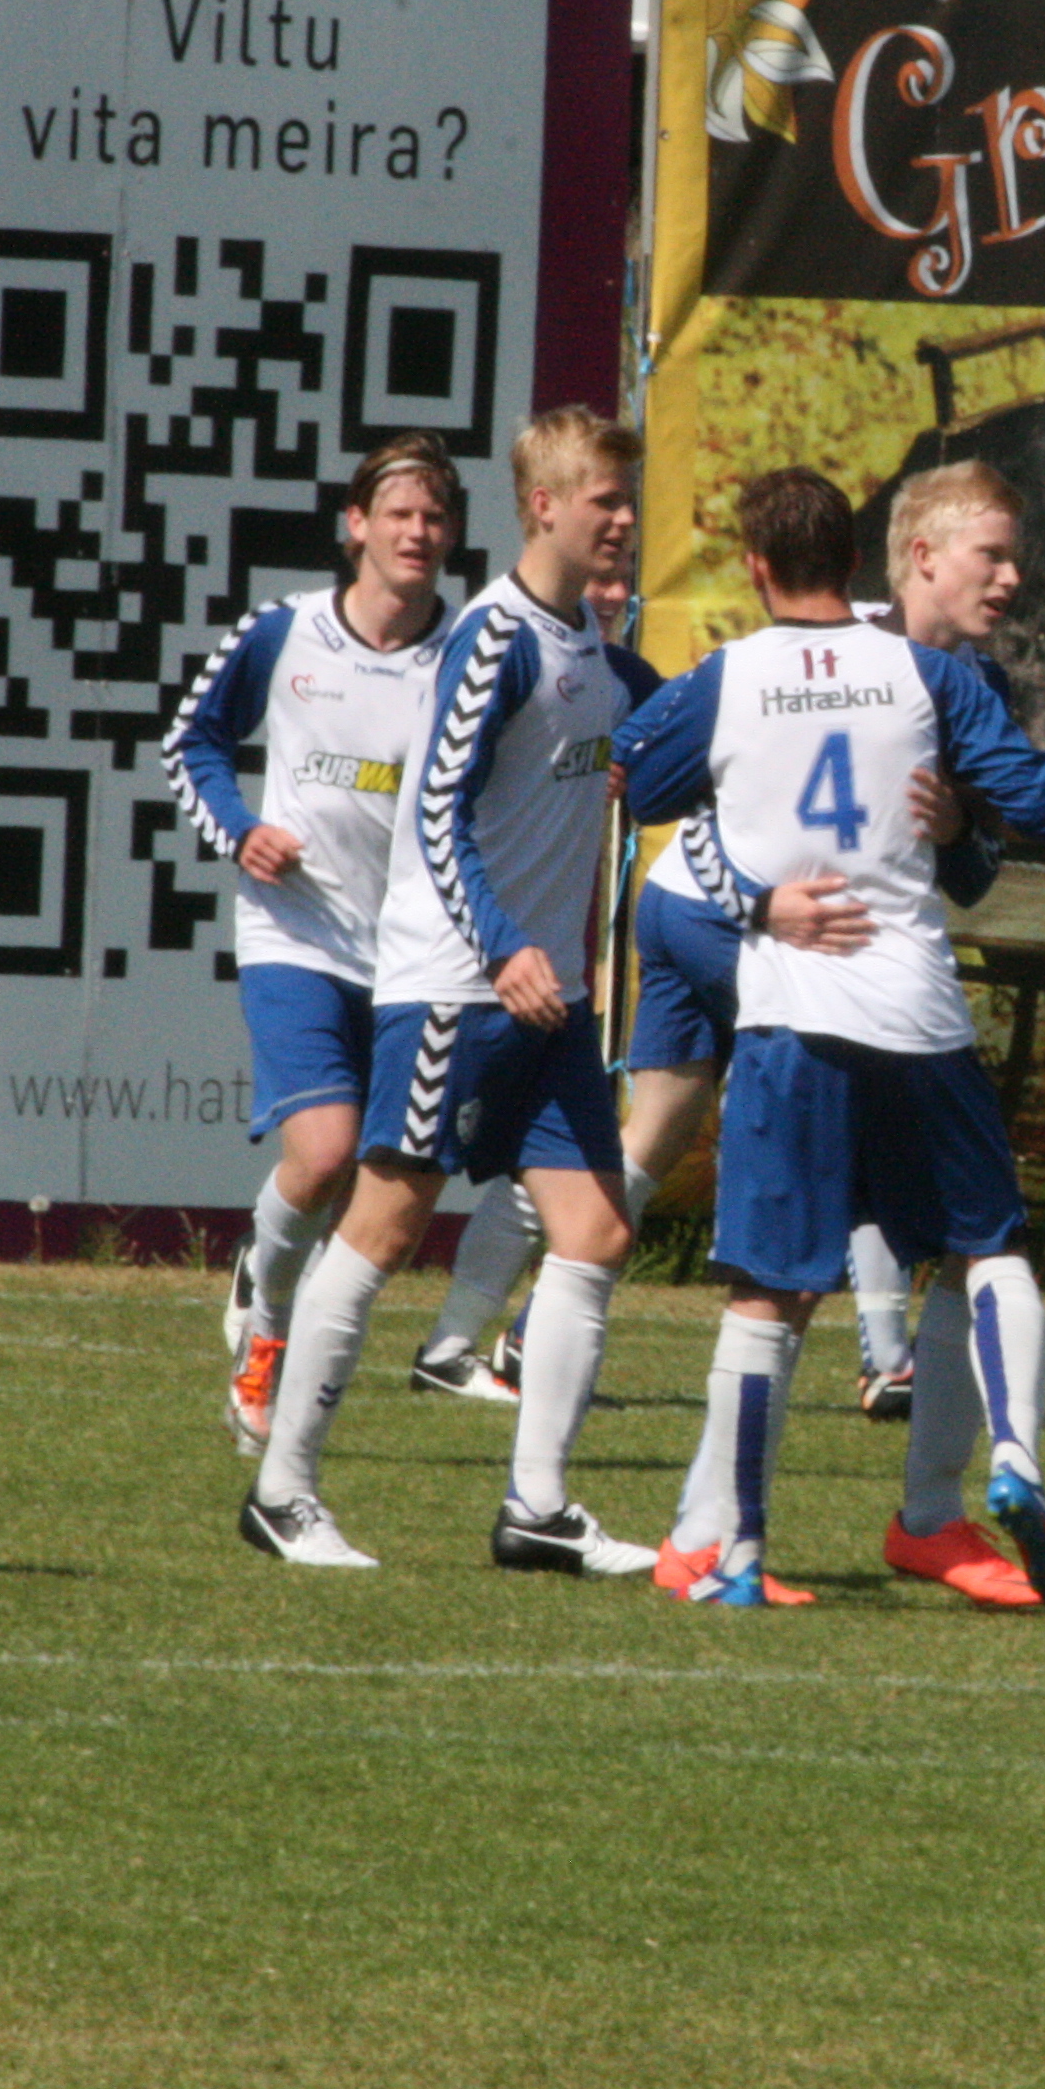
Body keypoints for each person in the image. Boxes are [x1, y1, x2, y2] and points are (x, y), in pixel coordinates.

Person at [612, 466, 1045, 1608]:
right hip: (914, 1012)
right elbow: (1043, 804)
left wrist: (762, 885)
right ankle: (1003, 1465)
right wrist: (969, 807)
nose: (1006, 578)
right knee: (985, 1244)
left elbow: (636, 780)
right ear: (878, 559)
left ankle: (737, 1549)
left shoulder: (731, 674)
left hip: (794, 1021)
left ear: (756, 566)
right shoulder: (928, 678)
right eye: (992, 556)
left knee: (771, 1289)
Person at [234, 407, 660, 1574]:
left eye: (629, 500)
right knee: (384, 1225)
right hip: (456, 992)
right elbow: (436, 810)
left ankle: (537, 1509)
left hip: (545, 1003)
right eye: (605, 500)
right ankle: (282, 1494)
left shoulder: (590, 647)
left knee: (595, 1231)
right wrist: (504, 948)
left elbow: (661, 733)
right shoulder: (493, 639)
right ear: (544, 508)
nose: (624, 519)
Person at [162, 436, 542, 1449]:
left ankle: (272, 1291)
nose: (419, 532)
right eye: (400, 514)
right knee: (324, 1150)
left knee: (374, 1189)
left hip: (412, 954)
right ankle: (265, 1328)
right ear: (356, 525)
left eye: (436, 517)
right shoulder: (284, 631)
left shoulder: (466, 653)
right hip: (294, 934)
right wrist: (240, 831)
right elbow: (190, 740)